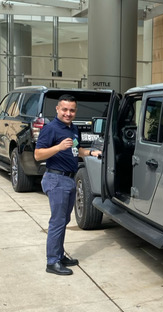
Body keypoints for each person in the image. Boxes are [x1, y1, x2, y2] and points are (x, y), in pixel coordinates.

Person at [34, 94, 102, 276]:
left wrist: (90, 152)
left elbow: (75, 149)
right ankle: (52, 262)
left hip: (68, 179)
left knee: (64, 220)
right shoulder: (50, 129)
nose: (68, 113)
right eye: (64, 109)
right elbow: (38, 155)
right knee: (57, 222)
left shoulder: (73, 129)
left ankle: (59, 255)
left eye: (72, 110)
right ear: (57, 109)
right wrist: (58, 147)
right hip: (56, 179)